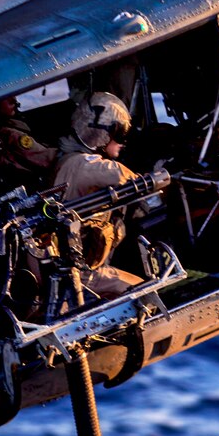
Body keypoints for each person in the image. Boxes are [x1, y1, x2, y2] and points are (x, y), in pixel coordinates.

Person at [53, 91, 144, 300]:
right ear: (100, 134)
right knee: (144, 295)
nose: (123, 143)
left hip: (70, 267)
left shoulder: (66, 157)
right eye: (119, 135)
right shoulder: (86, 166)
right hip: (80, 274)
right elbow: (125, 177)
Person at [0, 95, 57, 184]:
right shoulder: (10, 134)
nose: (14, 100)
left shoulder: (13, 123)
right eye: (5, 97)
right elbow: (46, 158)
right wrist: (67, 152)